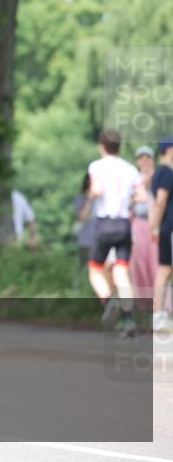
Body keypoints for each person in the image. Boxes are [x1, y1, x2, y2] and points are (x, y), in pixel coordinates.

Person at [86, 130, 146, 338]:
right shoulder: (130, 169)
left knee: (95, 269)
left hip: (104, 223)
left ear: (102, 146)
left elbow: (97, 189)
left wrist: (91, 197)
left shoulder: (96, 166)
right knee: (121, 273)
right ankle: (128, 319)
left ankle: (108, 299)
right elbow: (142, 196)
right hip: (124, 224)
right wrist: (127, 202)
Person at [130, 146, 158, 309]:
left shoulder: (161, 177)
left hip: (155, 224)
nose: (145, 161)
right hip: (138, 223)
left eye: (148, 158)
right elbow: (132, 200)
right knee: (139, 263)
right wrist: (146, 179)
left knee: (156, 263)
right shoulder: (134, 179)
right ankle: (143, 303)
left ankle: (159, 302)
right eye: (142, 158)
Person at [151, 137, 173, 330]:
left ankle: (160, 313)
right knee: (165, 270)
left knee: (166, 270)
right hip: (170, 227)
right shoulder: (166, 172)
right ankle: (158, 314)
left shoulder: (159, 172)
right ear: (169, 150)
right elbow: (160, 201)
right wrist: (156, 227)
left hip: (166, 227)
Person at [73, 174, 97, 267]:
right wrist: (90, 200)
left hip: (102, 239)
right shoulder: (81, 198)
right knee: (85, 268)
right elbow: (82, 217)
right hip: (86, 240)